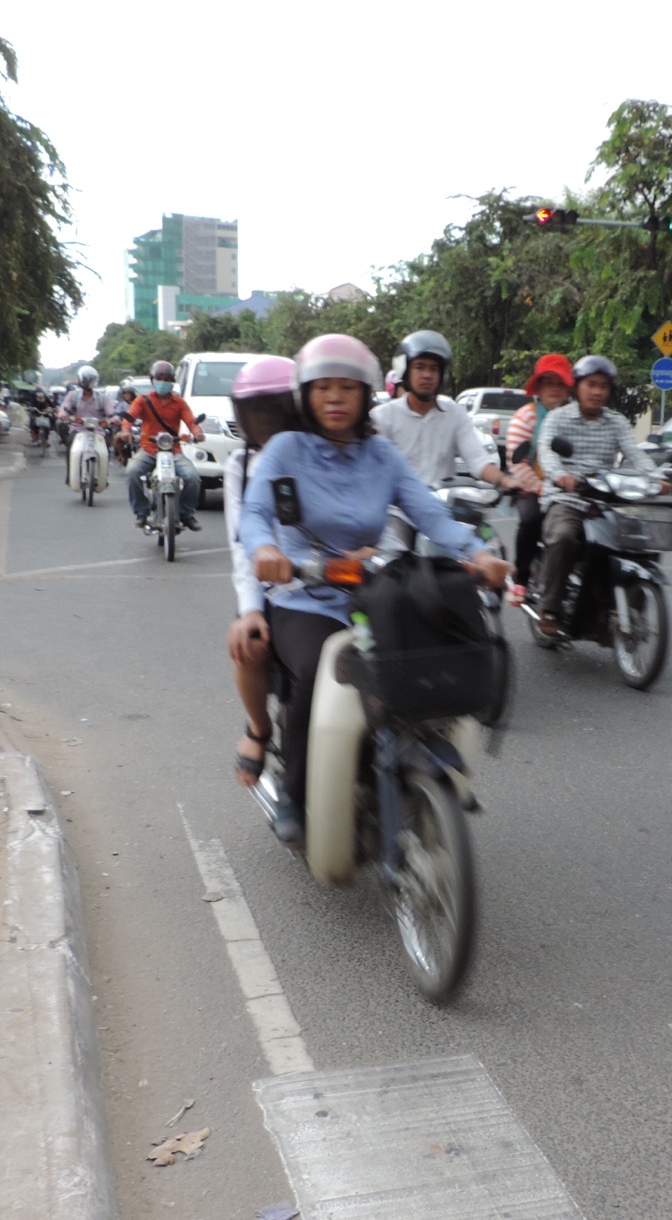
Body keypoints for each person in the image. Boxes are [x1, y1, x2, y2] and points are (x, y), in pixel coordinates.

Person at [240, 334, 509, 845]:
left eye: (347, 387)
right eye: (323, 388)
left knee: (420, 664)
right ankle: (295, 792)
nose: (335, 398)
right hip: (304, 597)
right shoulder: (285, 449)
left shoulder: (381, 455)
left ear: (366, 396)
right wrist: (265, 552)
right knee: (320, 677)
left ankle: (408, 768)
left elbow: (429, 513)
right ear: (305, 396)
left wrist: (477, 553)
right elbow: (255, 514)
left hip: (371, 593)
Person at [535, 355, 667, 633]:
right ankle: (550, 608)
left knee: (643, 542)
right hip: (568, 498)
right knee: (563, 537)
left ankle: (627, 608)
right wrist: (560, 475)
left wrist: (656, 477)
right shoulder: (559, 418)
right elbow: (546, 450)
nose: (597, 392)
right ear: (577, 387)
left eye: (603, 386)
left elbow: (634, 453)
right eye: (591, 384)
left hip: (607, 499)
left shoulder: (616, 421)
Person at [221, 355, 301, 787]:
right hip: (275, 589)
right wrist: (251, 609)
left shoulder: (322, 452)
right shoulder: (241, 468)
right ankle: (259, 727)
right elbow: (242, 547)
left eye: (277, 409)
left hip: (338, 579)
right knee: (248, 642)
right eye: (257, 411)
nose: (267, 421)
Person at [371, 330, 534, 493]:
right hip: (397, 509)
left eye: (434, 369)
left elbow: (477, 459)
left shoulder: (453, 413)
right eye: (419, 367)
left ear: (441, 375)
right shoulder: (384, 417)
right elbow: (371, 469)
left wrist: (505, 481)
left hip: (441, 508)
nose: (427, 375)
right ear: (406, 372)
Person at [501, 353, 575, 603]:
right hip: (531, 488)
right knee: (531, 520)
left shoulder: (574, 419)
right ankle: (520, 579)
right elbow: (518, 465)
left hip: (570, 490)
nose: (554, 389)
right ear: (539, 388)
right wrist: (544, 489)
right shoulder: (526, 417)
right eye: (548, 382)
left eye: (559, 383)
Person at [125, 359, 205, 529]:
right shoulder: (142, 400)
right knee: (132, 472)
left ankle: (186, 513)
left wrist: (197, 432)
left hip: (173, 450)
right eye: (159, 378)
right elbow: (130, 417)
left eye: (167, 378)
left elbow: (191, 421)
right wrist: (126, 430)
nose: (163, 382)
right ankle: (141, 511)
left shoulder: (179, 403)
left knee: (193, 478)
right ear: (152, 379)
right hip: (148, 449)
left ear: (172, 381)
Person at [61, 365, 111, 490]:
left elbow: (111, 412)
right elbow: (64, 408)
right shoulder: (73, 396)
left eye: (90, 380)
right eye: (86, 380)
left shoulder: (101, 398)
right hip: (78, 430)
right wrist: (64, 415)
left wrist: (113, 418)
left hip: (98, 431)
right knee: (70, 447)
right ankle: (70, 475)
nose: (87, 383)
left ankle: (104, 475)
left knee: (106, 448)